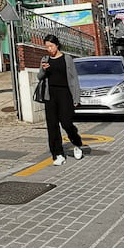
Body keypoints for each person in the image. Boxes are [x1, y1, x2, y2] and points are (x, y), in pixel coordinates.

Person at [37, 34, 83, 166]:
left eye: (51, 46)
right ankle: (57, 154)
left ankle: (76, 143)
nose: (49, 49)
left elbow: (74, 79)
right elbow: (39, 77)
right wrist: (43, 70)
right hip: (50, 95)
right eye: (47, 47)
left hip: (65, 94)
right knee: (52, 126)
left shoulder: (67, 59)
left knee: (66, 122)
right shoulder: (45, 59)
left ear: (57, 45)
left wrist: (76, 97)